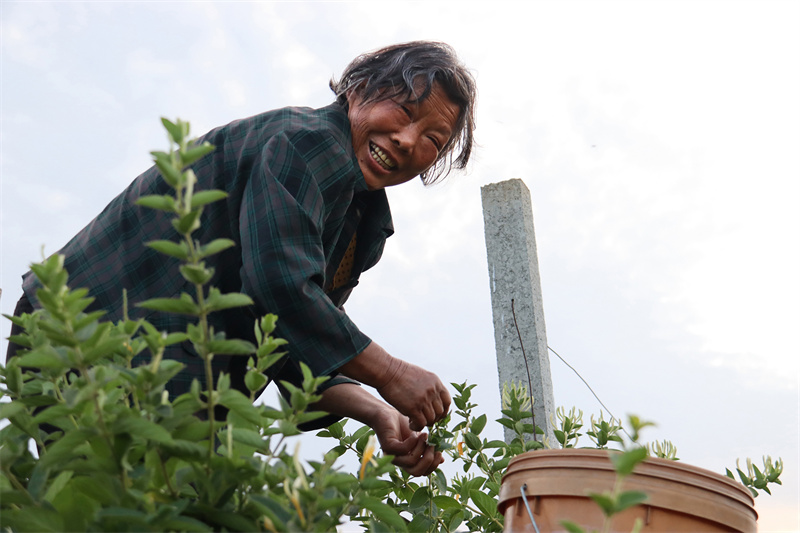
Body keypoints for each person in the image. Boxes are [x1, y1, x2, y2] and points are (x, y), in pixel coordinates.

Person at [6, 41, 477, 477]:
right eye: (403, 109)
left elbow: (291, 342)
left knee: (154, 501)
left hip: (160, 375)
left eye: (432, 140)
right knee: (127, 499)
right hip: (88, 334)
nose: (407, 140)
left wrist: (380, 411)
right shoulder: (311, 141)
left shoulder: (361, 219)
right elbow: (280, 286)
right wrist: (390, 373)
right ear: (358, 90)